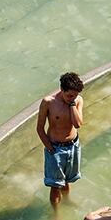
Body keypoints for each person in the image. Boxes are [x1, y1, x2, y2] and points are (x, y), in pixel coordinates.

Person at [37, 72, 84, 210]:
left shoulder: (78, 100)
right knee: (56, 185)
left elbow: (77, 124)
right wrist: (50, 148)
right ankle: (56, 213)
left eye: (75, 95)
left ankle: (67, 201)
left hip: (73, 146)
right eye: (69, 95)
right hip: (55, 148)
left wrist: (72, 104)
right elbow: (40, 128)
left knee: (67, 181)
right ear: (61, 89)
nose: (72, 98)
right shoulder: (48, 102)